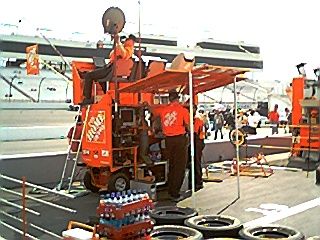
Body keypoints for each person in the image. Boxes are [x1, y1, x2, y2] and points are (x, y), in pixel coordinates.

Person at [81, 34, 136, 105]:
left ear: (129, 40)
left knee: (89, 75)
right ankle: (107, 96)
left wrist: (118, 42)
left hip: (111, 70)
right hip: (111, 69)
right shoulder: (128, 48)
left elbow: (124, 54)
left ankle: (87, 98)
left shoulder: (128, 49)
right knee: (100, 78)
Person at [158, 90, 190, 201]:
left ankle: (170, 189)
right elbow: (188, 125)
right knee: (180, 166)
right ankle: (175, 193)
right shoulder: (183, 110)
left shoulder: (163, 111)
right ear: (178, 98)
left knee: (171, 165)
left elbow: (162, 126)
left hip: (168, 140)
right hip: (179, 139)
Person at [189, 105, 206, 191]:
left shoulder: (197, 119)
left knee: (196, 162)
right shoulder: (196, 119)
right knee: (194, 162)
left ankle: (198, 182)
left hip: (198, 141)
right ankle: (194, 181)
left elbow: (194, 132)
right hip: (198, 141)